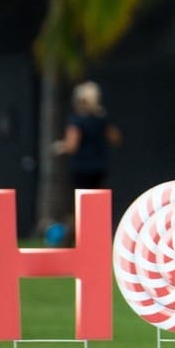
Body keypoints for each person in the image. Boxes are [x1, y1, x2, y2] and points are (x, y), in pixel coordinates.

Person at [51, 81, 122, 243]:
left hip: (81, 168)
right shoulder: (101, 119)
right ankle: (98, 237)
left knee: (79, 205)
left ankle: (74, 239)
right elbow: (115, 138)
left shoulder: (76, 120)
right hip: (98, 167)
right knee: (97, 203)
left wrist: (60, 147)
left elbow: (72, 145)